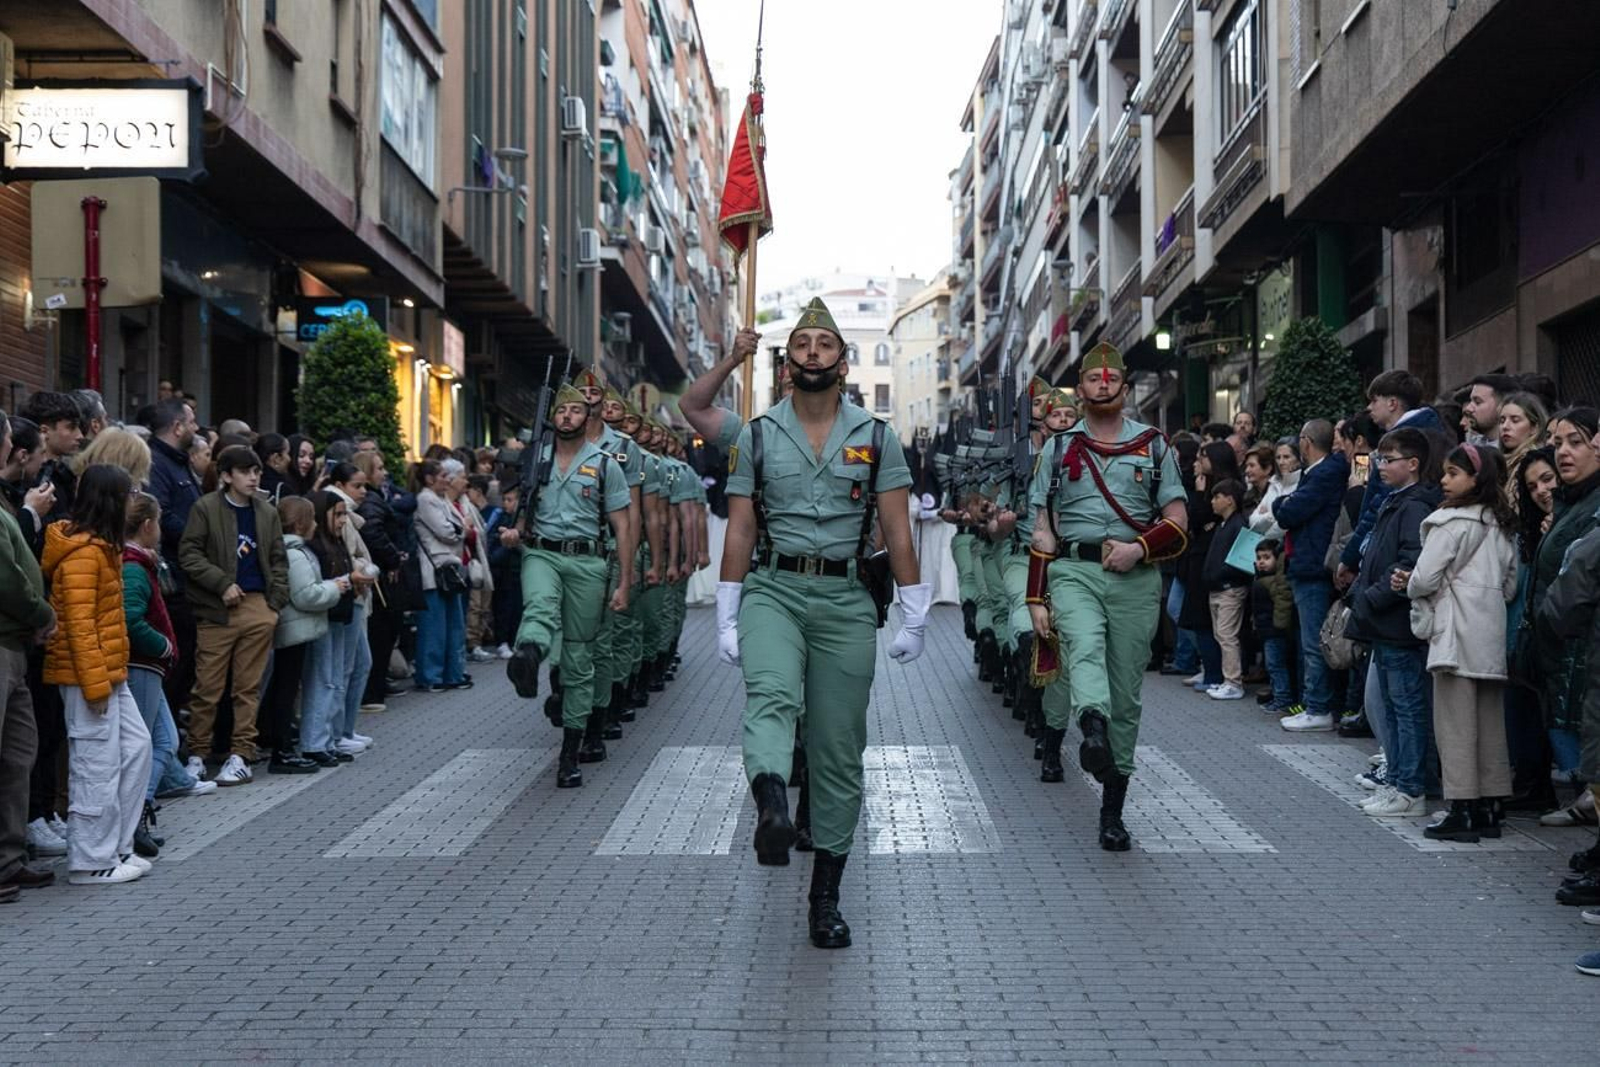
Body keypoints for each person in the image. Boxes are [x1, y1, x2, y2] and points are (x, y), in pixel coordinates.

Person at [718, 297, 927, 948]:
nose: (811, 351)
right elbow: (743, 526)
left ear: (842, 361)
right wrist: (727, 607)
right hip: (773, 588)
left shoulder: (876, 437)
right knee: (773, 698)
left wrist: (915, 609)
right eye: (801, 343)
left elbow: (896, 527)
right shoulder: (756, 435)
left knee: (839, 750)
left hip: (844, 599)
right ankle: (774, 805)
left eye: (824, 343)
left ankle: (825, 897)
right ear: (786, 366)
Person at [1027, 341, 1187, 852]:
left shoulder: (1154, 445)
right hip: (1074, 570)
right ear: (1081, 385)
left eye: (1110, 378)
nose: (1101, 384)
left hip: (1135, 580)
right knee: (1084, 645)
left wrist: (1139, 549)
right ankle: (1090, 725)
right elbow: (1043, 531)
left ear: (1123, 384)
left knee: (1128, 694)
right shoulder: (1057, 448)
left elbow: (1179, 522)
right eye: (1092, 379)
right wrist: (1035, 598)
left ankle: (1112, 808)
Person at [505, 383, 635, 787]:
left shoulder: (604, 464)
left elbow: (624, 525)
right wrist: (516, 531)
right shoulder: (536, 459)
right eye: (561, 411)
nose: (567, 417)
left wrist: (625, 581)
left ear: (588, 417)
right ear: (553, 417)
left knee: (579, 657)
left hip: (589, 562)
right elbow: (522, 505)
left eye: (575, 411)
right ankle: (527, 656)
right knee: (540, 605)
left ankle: (571, 750)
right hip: (542, 552)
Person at [1401, 443, 1518, 841]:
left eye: (1453, 473)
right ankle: (1492, 803)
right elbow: (1510, 584)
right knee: (1489, 724)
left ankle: (1462, 809)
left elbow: (1423, 578)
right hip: (1489, 635)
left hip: (1453, 635)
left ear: (1476, 478)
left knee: (1454, 725)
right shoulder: (1500, 525)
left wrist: (1411, 584)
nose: (1444, 480)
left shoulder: (1448, 523)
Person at [44, 464, 152, 885]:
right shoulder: (84, 555)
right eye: (127, 495)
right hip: (90, 677)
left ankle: (116, 847)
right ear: (110, 500)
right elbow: (79, 625)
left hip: (108, 672)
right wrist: (94, 685)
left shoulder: (101, 548)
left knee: (135, 748)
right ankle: (91, 861)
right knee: (95, 765)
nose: (132, 502)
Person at [177, 445, 290, 786]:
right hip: (217, 607)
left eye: (256, 471)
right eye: (245, 471)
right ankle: (197, 755)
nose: (254, 477)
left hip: (257, 605)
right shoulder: (206, 507)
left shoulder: (266, 511)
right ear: (226, 476)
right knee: (207, 687)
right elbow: (189, 553)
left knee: (247, 688)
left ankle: (241, 755)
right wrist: (221, 583)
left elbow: (278, 559)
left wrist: (275, 604)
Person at [1346, 428, 1440, 819]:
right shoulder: (1395, 501)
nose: (1381, 466)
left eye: (1389, 459)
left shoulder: (1414, 505)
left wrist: (1370, 598)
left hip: (1397, 624)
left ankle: (1411, 789)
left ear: (1413, 464)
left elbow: (1409, 561)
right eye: (1380, 459)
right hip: (1383, 623)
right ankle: (1399, 783)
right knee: (1392, 706)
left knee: (1406, 708)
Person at [121, 492, 208, 861]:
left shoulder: (141, 563)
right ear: (147, 525)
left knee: (163, 741)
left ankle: (139, 810)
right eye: (157, 521)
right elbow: (130, 618)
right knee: (147, 744)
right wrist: (163, 646)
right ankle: (133, 816)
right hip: (142, 667)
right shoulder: (133, 567)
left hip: (148, 668)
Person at [1527, 409, 1600, 798]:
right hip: (1563, 645)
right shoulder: (1568, 503)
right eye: (1557, 444)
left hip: (1581, 646)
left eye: (1577, 442)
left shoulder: (1592, 506)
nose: (1563, 453)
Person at [0, 409, 57, 899]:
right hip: (5, 639)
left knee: (18, 754)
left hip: (15, 645)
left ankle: (9, 858)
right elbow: (8, 579)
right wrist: (43, 613)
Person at [1270, 420, 1351, 731]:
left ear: (1305, 442)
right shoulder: (1317, 471)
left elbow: (1290, 511)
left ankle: (1319, 708)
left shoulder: (1327, 471)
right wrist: (1284, 503)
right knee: (1309, 640)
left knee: (1315, 641)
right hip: (1305, 562)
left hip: (1314, 563)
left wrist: (1281, 503)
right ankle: (1314, 703)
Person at [1337, 370, 1443, 591]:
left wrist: (1350, 555)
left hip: (1393, 552)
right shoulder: (1429, 431)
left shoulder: (1408, 439)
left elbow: (1379, 505)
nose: (1370, 407)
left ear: (1393, 403)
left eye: (1374, 400)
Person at [266, 495, 347, 772]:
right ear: (301, 524)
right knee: (286, 690)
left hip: (295, 628)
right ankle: (283, 750)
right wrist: (336, 587)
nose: (315, 523)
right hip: (295, 630)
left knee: (287, 689)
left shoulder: (292, 550)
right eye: (311, 518)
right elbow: (306, 595)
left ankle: (284, 746)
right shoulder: (296, 555)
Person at [351, 450, 409, 708]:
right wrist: (393, 557)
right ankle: (372, 692)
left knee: (382, 634)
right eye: (379, 468)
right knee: (380, 634)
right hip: (380, 575)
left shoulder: (374, 499)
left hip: (380, 572)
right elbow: (373, 532)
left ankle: (375, 688)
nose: (384, 473)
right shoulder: (372, 501)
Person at [326, 464, 378, 740]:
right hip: (350, 596)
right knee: (350, 666)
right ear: (339, 484)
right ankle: (339, 733)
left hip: (355, 596)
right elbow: (344, 557)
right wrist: (366, 568)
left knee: (356, 664)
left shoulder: (349, 515)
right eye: (357, 486)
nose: (363, 491)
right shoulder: (337, 510)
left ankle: (345, 730)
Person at [412, 459, 470, 693]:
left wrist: (459, 529)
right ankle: (430, 676)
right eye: (443, 475)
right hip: (435, 569)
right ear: (429, 479)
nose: (448, 479)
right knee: (434, 626)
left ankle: (451, 673)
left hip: (449, 567)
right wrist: (463, 528)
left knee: (453, 624)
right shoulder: (425, 499)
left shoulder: (441, 499)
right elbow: (447, 531)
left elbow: (454, 529)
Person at [1202, 478, 1250, 701]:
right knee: (1221, 634)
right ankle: (1227, 679)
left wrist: (1220, 574)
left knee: (1227, 634)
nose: (1212, 502)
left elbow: (1240, 560)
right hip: (1217, 587)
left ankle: (1233, 682)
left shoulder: (1238, 524)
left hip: (1230, 587)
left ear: (1230, 500)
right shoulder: (1222, 525)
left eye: (1217, 497)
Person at [1251, 539, 1295, 714]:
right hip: (1267, 629)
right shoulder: (1262, 579)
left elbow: (1282, 604)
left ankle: (1282, 698)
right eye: (1259, 558)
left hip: (1274, 630)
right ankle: (1278, 695)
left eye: (1267, 557)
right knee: (1273, 665)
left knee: (1276, 665)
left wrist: (1279, 626)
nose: (1261, 561)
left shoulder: (1276, 581)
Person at [1461, 373, 1521, 446]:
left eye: (1477, 402)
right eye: (1471, 401)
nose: (1468, 408)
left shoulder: (1522, 454)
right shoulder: (1472, 447)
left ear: (1502, 405)